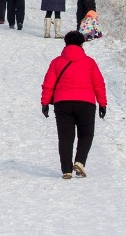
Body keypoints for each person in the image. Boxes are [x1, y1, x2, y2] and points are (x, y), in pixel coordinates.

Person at [41, 30, 107, 180]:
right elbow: (99, 85)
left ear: (66, 43)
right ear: (82, 44)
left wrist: (45, 103)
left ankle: (66, 170)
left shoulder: (56, 62)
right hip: (86, 104)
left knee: (65, 137)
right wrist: (102, 104)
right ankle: (79, 162)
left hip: (62, 104)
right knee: (86, 134)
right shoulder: (89, 62)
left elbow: (48, 84)